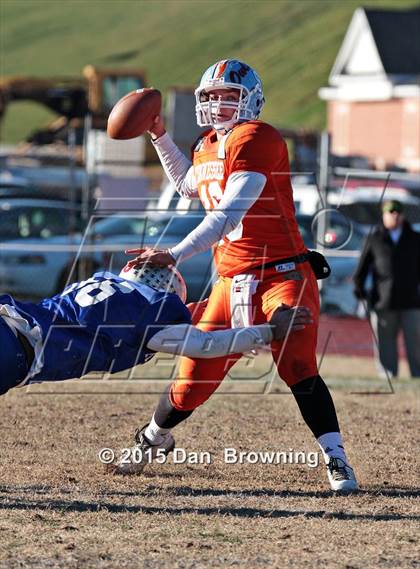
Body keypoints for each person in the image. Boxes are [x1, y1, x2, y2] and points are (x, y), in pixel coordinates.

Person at [121, 59, 358, 492]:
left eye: (228, 96)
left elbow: (228, 215)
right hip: (230, 282)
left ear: (250, 99)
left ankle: (336, 458)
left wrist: (173, 254)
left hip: (281, 274)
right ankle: (153, 437)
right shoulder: (208, 144)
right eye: (211, 96)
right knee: (191, 380)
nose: (217, 104)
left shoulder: (257, 137)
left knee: (298, 366)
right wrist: (159, 135)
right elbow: (189, 186)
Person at [0, 263, 311, 396]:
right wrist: (268, 331)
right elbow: (204, 346)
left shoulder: (103, 281)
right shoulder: (151, 307)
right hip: (17, 350)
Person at [353, 199, 420, 378]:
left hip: (411, 301)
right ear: (384, 215)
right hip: (383, 301)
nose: (394, 215)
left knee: (415, 342)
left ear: (403, 214)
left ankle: (417, 375)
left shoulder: (414, 238)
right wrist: (360, 296)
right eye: (390, 212)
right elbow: (361, 270)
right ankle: (388, 375)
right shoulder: (374, 238)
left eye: (398, 211)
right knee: (385, 343)